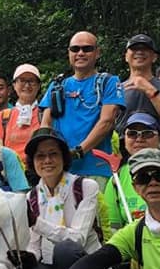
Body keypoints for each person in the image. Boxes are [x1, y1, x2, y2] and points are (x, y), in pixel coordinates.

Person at [20, 128, 100, 269]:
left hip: (87, 268)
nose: (47, 160)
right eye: (40, 156)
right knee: (25, 267)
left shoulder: (85, 187)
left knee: (65, 250)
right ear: (32, 162)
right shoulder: (31, 197)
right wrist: (25, 257)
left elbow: (77, 240)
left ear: (64, 157)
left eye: (53, 154)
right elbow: (35, 247)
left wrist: (36, 223)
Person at [39, 31, 122, 184]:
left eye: (87, 49)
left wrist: (78, 152)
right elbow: (45, 125)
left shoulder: (108, 82)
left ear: (97, 53)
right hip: (60, 170)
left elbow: (107, 121)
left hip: (95, 169)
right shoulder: (58, 85)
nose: (80, 53)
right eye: (75, 49)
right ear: (69, 53)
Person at [104, 113, 160, 231]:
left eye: (147, 133)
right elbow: (113, 228)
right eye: (132, 134)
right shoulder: (117, 178)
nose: (139, 139)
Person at [114, 34, 160, 151]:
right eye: (134, 49)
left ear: (154, 57)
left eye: (145, 49)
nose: (139, 52)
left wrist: (150, 90)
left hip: (159, 157)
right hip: (123, 159)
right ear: (126, 56)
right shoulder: (116, 89)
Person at [0, 64, 42, 164]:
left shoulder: (45, 113)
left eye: (31, 81)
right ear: (14, 85)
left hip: (39, 171)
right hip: (11, 173)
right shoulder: (3, 117)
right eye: (22, 80)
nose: (27, 85)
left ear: (38, 86)